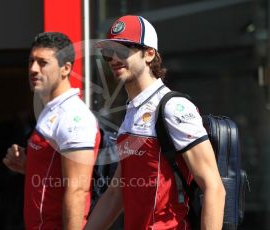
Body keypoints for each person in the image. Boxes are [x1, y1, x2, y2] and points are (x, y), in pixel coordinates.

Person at [85, 15, 225, 230]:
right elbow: (115, 194)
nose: (114, 58)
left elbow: (214, 187)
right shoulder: (132, 111)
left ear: (149, 54)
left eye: (123, 49)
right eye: (109, 52)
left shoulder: (173, 107)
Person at [3, 32, 101, 230]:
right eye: (31, 61)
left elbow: (78, 190)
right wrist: (28, 166)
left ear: (65, 69)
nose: (33, 69)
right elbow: (53, 174)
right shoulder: (51, 111)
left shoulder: (73, 116)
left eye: (42, 63)